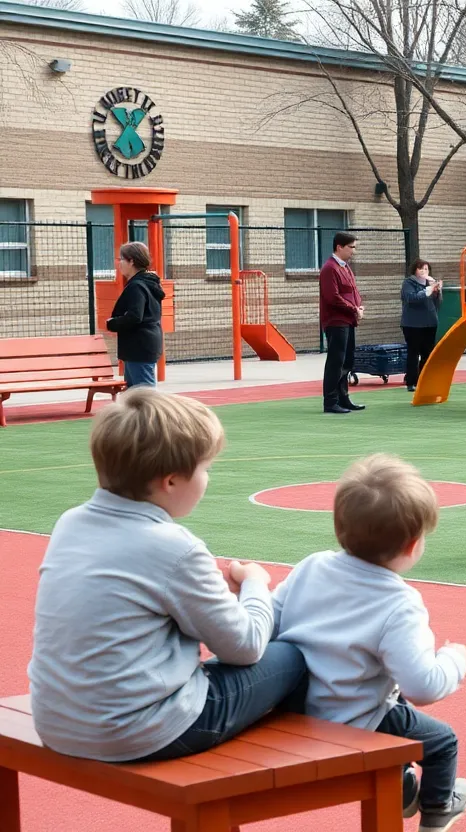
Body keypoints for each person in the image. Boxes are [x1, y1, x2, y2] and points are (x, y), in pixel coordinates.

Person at [28, 388, 307, 762]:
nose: (209, 478)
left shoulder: (70, 523)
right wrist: (255, 584)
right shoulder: (175, 547)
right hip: (137, 732)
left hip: (59, 723)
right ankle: (355, 760)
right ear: (171, 481)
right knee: (295, 655)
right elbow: (245, 648)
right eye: (205, 468)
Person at [273, 455, 466, 832]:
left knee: (392, 709)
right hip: (352, 719)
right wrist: (454, 659)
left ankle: (401, 789)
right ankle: (437, 810)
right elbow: (423, 686)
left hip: (293, 709)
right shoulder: (398, 602)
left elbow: (271, 620)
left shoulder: (312, 565)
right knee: (442, 741)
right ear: (413, 545)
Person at [105, 241, 164, 389]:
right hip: (143, 345)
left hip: (139, 346)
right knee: (133, 394)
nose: (119, 263)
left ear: (131, 261)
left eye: (122, 259)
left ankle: (154, 413)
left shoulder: (136, 285)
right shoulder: (148, 283)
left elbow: (135, 316)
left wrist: (112, 323)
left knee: (145, 394)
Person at [320, 232, 365, 414]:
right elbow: (333, 298)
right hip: (336, 321)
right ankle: (330, 401)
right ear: (339, 247)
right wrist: (353, 309)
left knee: (347, 360)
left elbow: (353, 291)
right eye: (351, 247)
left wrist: (358, 307)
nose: (353, 251)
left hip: (348, 320)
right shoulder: (330, 268)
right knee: (336, 361)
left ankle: (343, 398)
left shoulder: (345, 267)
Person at [401, 259, 442, 393]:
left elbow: (438, 303)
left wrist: (437, 291)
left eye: (426, 269)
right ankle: (411, 381)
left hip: (430, 322)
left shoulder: (430, 283)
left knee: (427, 353)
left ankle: (424, 379)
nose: (424, 272)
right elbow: (411, 298)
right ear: (415, 271)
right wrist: (428, 290)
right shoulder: (408, 283)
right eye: (421, 269)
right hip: (412, 324)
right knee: (413, 352)